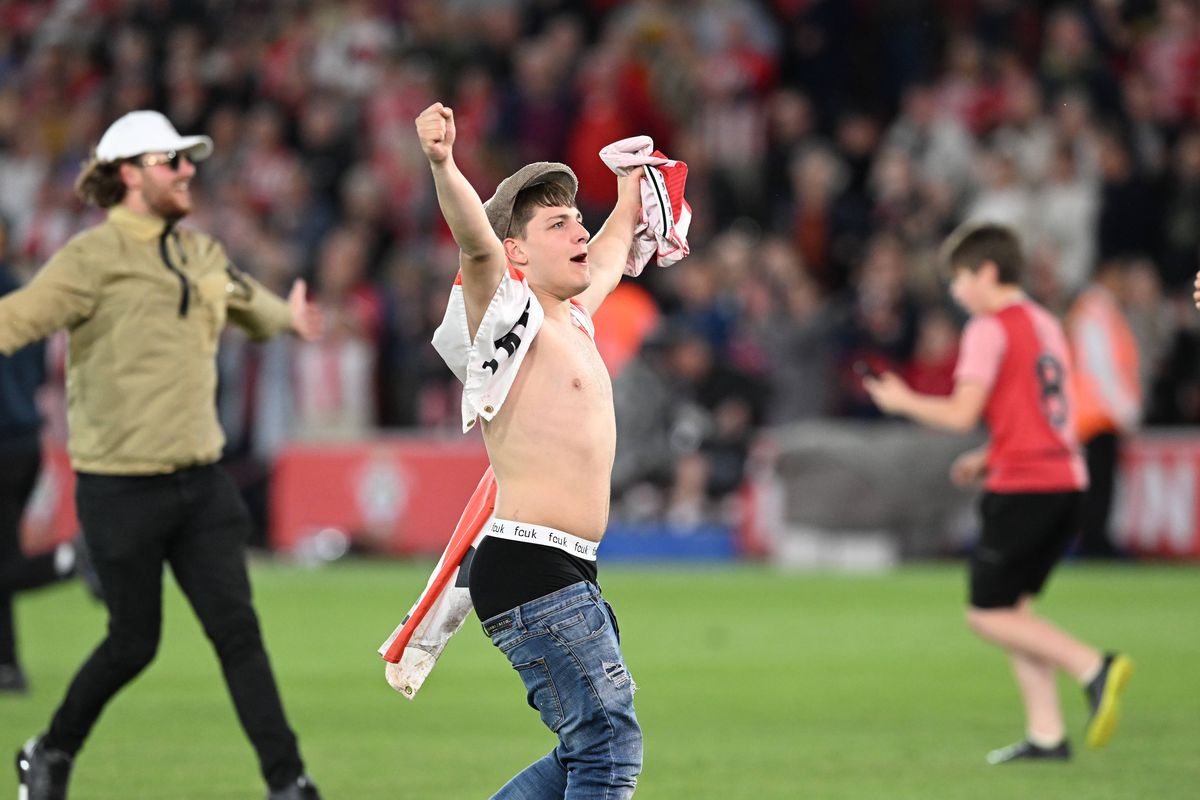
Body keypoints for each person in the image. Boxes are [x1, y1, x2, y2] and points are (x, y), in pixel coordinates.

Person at [0, 111, 322, 800]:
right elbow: (15, 320)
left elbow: (250, 303)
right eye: (169, 160)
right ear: (127, 174)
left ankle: (289, 783)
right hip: (119, 490)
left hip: (201, 486)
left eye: (187, 159)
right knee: (133, 643)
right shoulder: (90, 258)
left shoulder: (201, 253)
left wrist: (290, 318)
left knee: (238, 633)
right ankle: (50, 751)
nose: (186, 170)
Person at [416, 100, 644, 797]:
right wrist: (443, 163)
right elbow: (476, 244)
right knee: (608, 746)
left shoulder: (572, 318)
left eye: (577, 218)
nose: (580, 231)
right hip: (531, 563)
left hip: (560, 566)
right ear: (518, 252)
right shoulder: (508, 321)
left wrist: (631, 188)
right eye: (558, 224)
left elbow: (612, 252)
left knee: (586, 748)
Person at [863, 222, 1132, 764]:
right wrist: (988, 455)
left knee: (986, 614)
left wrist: (902, 401)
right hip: (1066, 480)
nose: (956, 291)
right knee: (1016, 611)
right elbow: (1044, 413)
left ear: (986, 272)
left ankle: (1093, 667)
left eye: (959, 278)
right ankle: (1047, 734)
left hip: (1026, 486)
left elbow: (962, 413)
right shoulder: (1045, 322)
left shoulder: (988, 329)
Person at [0, 258, 80, 695]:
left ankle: (69, 561)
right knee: (5, 553)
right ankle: (7, 665)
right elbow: (39, 371)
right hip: (25, 439)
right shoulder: (22, 291)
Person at [1067, 257, 1142, 558]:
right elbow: (1100, 367)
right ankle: (1095, 542)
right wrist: (1125, 409)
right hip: (1097, 414)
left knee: (1098, 483)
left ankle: (1093, 539)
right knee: (1100, 484)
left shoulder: (1093, 309)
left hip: (1094, 413)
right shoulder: (1096, 310)